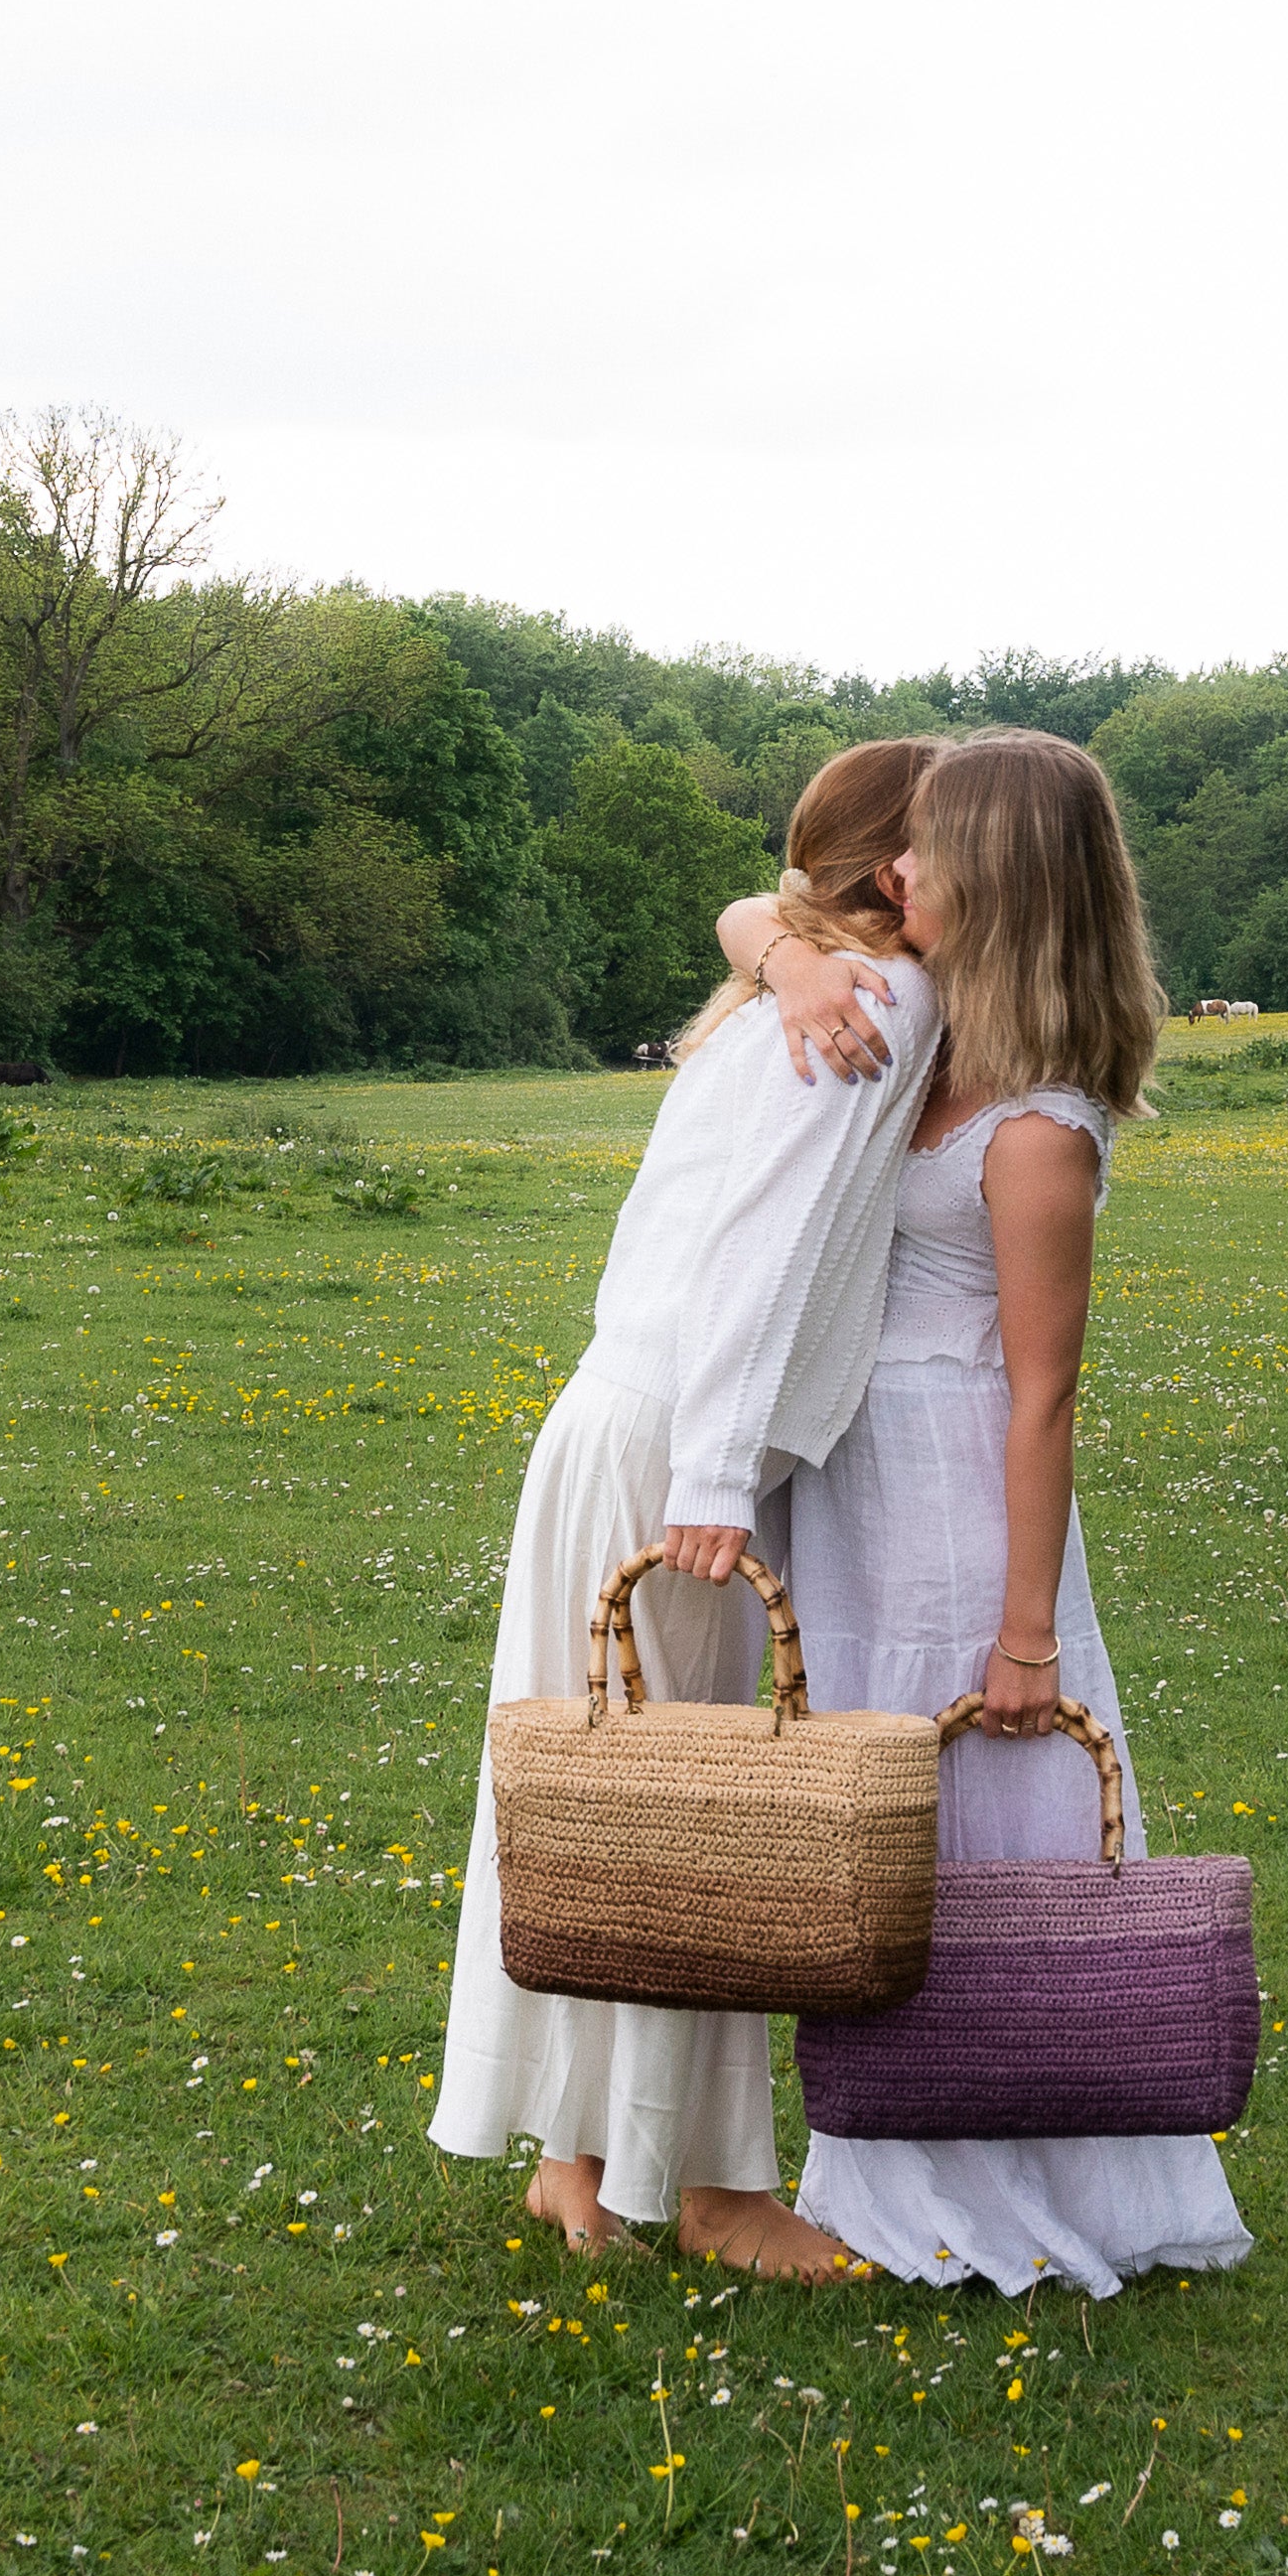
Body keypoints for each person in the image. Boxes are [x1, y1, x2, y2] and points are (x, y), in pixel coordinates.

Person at [723, 731, 1251, 2298]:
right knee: (868, 1826)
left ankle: (985, 2165)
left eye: (927, 855)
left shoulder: (1034, 1126)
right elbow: (762, 911)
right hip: (859, 1490)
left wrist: (1028, 1634)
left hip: (958, 1499)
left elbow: (1041, 1394)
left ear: (1000, 885)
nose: (897, 877)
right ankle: (882, 2150)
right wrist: (785, 957)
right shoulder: (929, 1038)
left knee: (975, 1822)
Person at [430, 739, 946, 2277]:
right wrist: (720, 1476)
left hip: (621, 1417)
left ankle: (580, 2160)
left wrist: (778, 943)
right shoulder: (871, 1002)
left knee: (611, 1804)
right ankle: (709, 2192)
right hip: (674, 1440)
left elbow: (749, 911)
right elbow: (759, 1253)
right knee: (688, 1822)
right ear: (887, 872)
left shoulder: (793, 985)